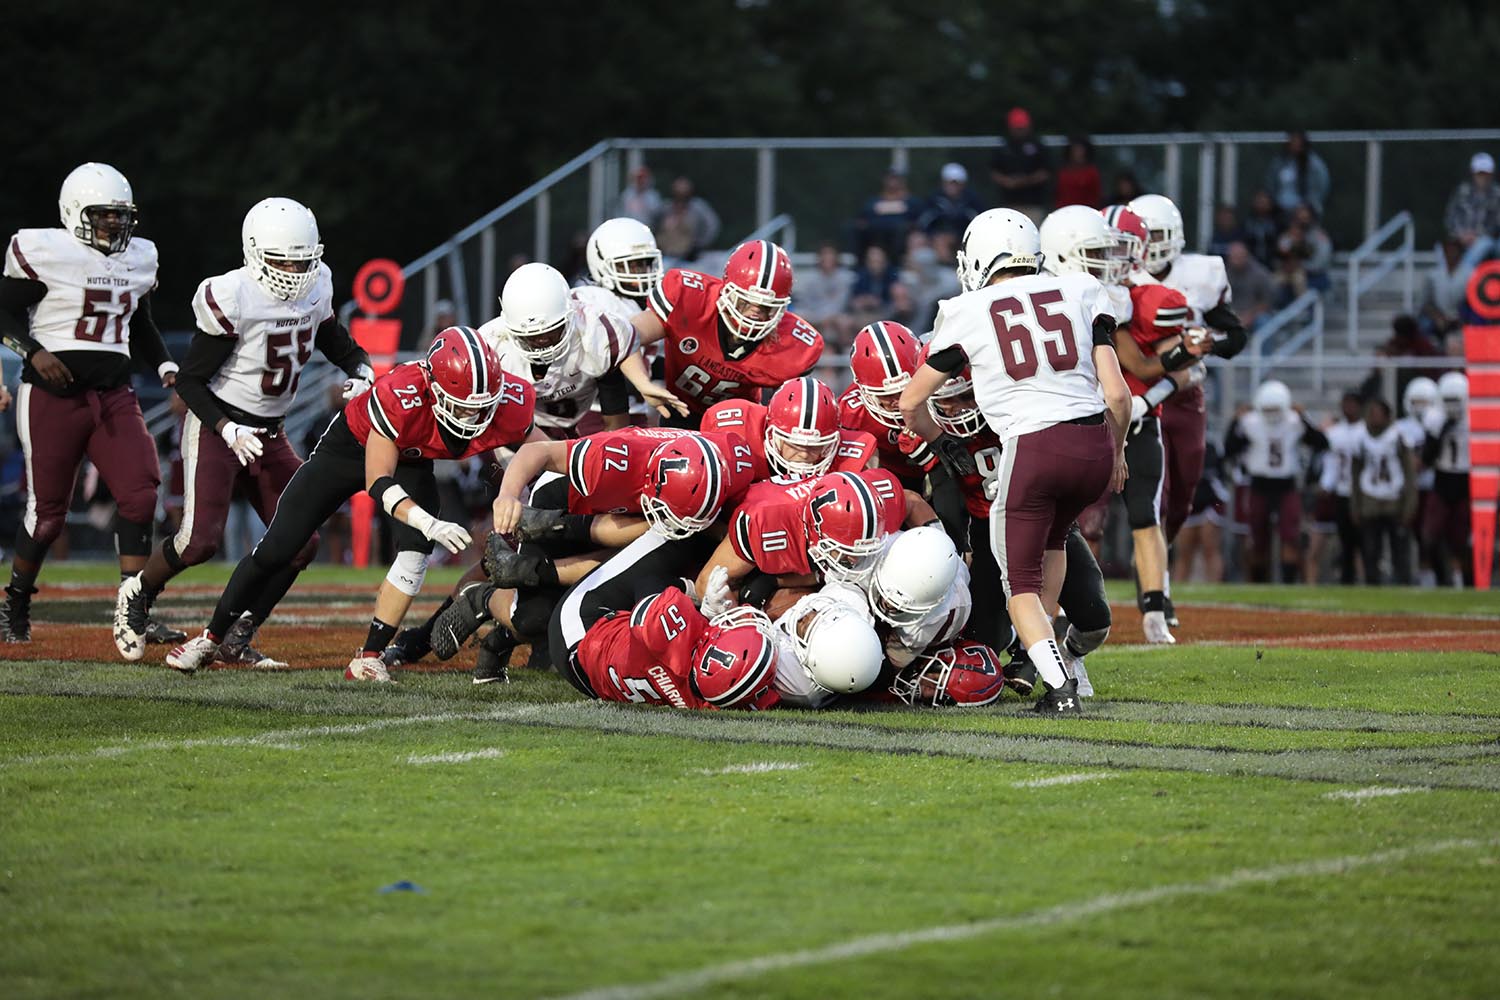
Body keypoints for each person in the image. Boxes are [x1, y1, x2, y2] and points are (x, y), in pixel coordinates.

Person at [165, 328, 536, 679]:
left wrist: (517, 491)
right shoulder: (400, 396)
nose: (475, 417)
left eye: (484, 406)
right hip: (353, 448)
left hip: (413, 455)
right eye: (463, 406)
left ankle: (370, 657)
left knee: (415, 553)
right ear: (434, 388)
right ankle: (210, 637)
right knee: (279, 546)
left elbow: (541, 451)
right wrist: (428, 521)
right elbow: (379, 480)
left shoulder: (509, 402)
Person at [113, 198, 373, 665]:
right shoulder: (234, 295)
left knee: (302, 542)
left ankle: (237, 636)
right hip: (219, 425)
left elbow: (335, 338)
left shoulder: (318, 285)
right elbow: (190, 381)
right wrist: (226, 427)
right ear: (254, 253)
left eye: (303, 259)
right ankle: (138, 593)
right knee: (199, 542)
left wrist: (361, 367)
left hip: (270, 433)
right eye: (283, 259)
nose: (295, 270)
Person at [900, 208, 1131, 714]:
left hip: (1033, 447)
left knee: (1018, 585)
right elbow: (1117, 394)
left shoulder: (965, 310)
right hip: (1093, 444)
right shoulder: (1081, 289)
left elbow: (909, 404)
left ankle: (1060, 687)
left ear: (979, 258)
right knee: (1055, 541)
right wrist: (1116, 453)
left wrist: (942, 442)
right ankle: (1055, 658)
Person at [0, 163, 181, 645]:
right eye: (103, 216)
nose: (114, 226)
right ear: (74, 213)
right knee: (47, 516)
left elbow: (140, 320)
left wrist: (165, 365)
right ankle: (16, 600)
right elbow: (2, 309)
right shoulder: (46, 251)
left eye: (121, 217)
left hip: (114, 394)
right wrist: (34, 351)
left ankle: (132, 608)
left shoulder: (138, 258)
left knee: (142, 493)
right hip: (52, 395)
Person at [1127, 193, 1249, 624]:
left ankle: (1157, 565)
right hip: (1144, 395)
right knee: (1153, 496)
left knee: (1183, 497)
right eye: (1144, 236)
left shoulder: (1201, 273)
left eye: (1157, 236)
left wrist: (1208, 342)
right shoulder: (1123, 275)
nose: (1150, 245)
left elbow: (1235, 337)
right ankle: (1155, 590)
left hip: (1188, 396)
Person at [630, 240, 824, 426]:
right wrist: (642, 383)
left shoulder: (793, 345)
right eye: (746, 301)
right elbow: (627, 335)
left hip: (736, 425)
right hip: (679, 413)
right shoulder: (691, 299)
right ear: (727, 291)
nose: (755, 311)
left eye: (766, 306)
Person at [1221, 381, 1328, 583]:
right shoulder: (1250, 422)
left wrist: (1305, 417)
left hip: (1286, 485)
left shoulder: (1295, 421)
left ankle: (1287, 584)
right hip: (1259, 485)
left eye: (1275, 409)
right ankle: (1260, 583)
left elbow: (1321, 443)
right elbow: (1230, 449)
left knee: (1290, 536)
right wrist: (1235, 422)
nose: (1271, 414)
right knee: (1258, 539)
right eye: (1267, 409)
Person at [1351, 398, 1416, 586]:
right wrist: (1356, 505)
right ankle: (1372, 585)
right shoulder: (1361, 437)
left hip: (1394, 499)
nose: (1373, 417)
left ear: (1387, 416)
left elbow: (1409, 474)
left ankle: (1403, 585)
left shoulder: (1398, 437)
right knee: (1370, 550)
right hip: (1370, 498)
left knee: (1400, 549)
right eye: (1371, 413)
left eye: (1377, 413)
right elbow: (1355, 474)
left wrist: (1409, 505)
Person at [1421, 372, 1471, 587]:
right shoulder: (1434, 417)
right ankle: (1439, 578)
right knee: (1430, 534)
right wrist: (1441, 431)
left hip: (1467, 480)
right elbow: (1427, 457)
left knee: (1464, 538)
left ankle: (1466, 580)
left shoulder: (1474, 416)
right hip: (1442, 479)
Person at [1318, 391, 1368, 585]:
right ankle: (1347, 581)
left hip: (1363, 495)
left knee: (1364, 542)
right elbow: (1331, 463)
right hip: (1341, 492)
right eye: (1345, 404)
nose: (1348, 408)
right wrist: (1326, 484)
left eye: (1352, 404)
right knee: (1346, 542)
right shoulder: (1335, 432)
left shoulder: (1366, 431)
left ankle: (1369, 581)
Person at [989, 108, 1052, 224]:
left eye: (1022, 127)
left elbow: (1046, 171)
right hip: (1009, 204)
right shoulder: (1004, 147)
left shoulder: (1038, 146)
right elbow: (994, 171)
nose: (1020, 130)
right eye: (1017, 127)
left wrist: (1024, 181)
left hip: (1032, 203)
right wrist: (1007, 181)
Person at [791, 242, 854, 347]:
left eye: (830, 255)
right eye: (825, 255)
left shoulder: (845, 278)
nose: (828, 258)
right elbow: (806, 303)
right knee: (798, 318)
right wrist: (821, 318)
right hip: (815, 316)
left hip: (836, 317)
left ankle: (847, 352)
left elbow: (841, 303)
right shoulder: (810, 280)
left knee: (844, 322)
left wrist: (828, 317)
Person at [853, 168, 920, 263]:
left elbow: (917, 220)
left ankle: (896, 262)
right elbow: (862, 218)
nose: (893, 182)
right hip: (875, 237)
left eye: (896, 178)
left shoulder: (911, 202)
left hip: (900, 238)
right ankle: (857, 262)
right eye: (890, 178)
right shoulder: (873, 201)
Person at [1443, 153, 1500, 255]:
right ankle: (1464, 270)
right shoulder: (1462, 192)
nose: (1483, 177)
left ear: (1491, 174)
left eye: (1485, 174)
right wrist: (1462, 235)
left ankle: (1465, 270)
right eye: (1480, 174)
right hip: (1460, 240)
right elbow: (1451, 218)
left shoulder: (1497, 195)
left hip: (1488, 241)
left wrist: (1477, 235)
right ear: (1473, 174)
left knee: (1483, 244)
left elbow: (1496, 223)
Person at [653, 177, 720, 263]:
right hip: (665, 256)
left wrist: (699, 245)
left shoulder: (698, 208)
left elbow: (712, 225)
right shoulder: (665, 208)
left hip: (690, 258)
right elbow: (654, 225)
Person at [1266, 130, 1331, 218]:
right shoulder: (1280, 162)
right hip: (1280, 206)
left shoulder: (1313, 164)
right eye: (1292, 142)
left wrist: (1307, 205)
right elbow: (1270, 182)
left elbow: (1320, 186)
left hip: (1304, 207)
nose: (1294, 146)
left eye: (1297, 143)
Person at [918, 163, 984, 239]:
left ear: (963, 184)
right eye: (949, 183)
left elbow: (979, 223)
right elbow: (923, 222)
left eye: (956, 183)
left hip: (965, 237)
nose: (953, 186)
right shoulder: (933, 199)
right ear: (943, 183)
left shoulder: (972, 200)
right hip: (936, 237)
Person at [1223, 241, 1276, 330]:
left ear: (1246, 256)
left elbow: (1266, 302)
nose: (1236, 261)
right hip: (1230, 314)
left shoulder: (1259, 274)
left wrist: (1248, 318)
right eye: (1233, 257)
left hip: (1253, 315)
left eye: (1239, 257)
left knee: (1264, 321)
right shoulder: (1223, 273)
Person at [1054, 136, 1101, 209]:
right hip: (1064, 211)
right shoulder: (1063, 171)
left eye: (1080, 150)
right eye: (1075, 150)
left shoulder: (1091, 172)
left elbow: (1096, 195)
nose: (1077, 153)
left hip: (1085, 211)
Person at [1241, 189, 1282, 269]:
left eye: (1264, 202)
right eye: (1259, 202)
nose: (1262, 205)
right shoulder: (1248, 222)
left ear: (1270, 204)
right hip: (1251, 264)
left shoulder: (1278, 222)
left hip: (1274, 263)